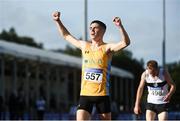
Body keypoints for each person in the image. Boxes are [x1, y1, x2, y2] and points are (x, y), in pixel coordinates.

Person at [52, 11, 130, 120]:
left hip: (102, 95)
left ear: (102, 31)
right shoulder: (84, 46)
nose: (92, 30)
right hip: (85, 95)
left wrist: (120, 27)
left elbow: (125, 43)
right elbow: (66, 36)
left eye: (95, 28)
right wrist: (58, 21)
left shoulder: (107, 48)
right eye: (90, 28)